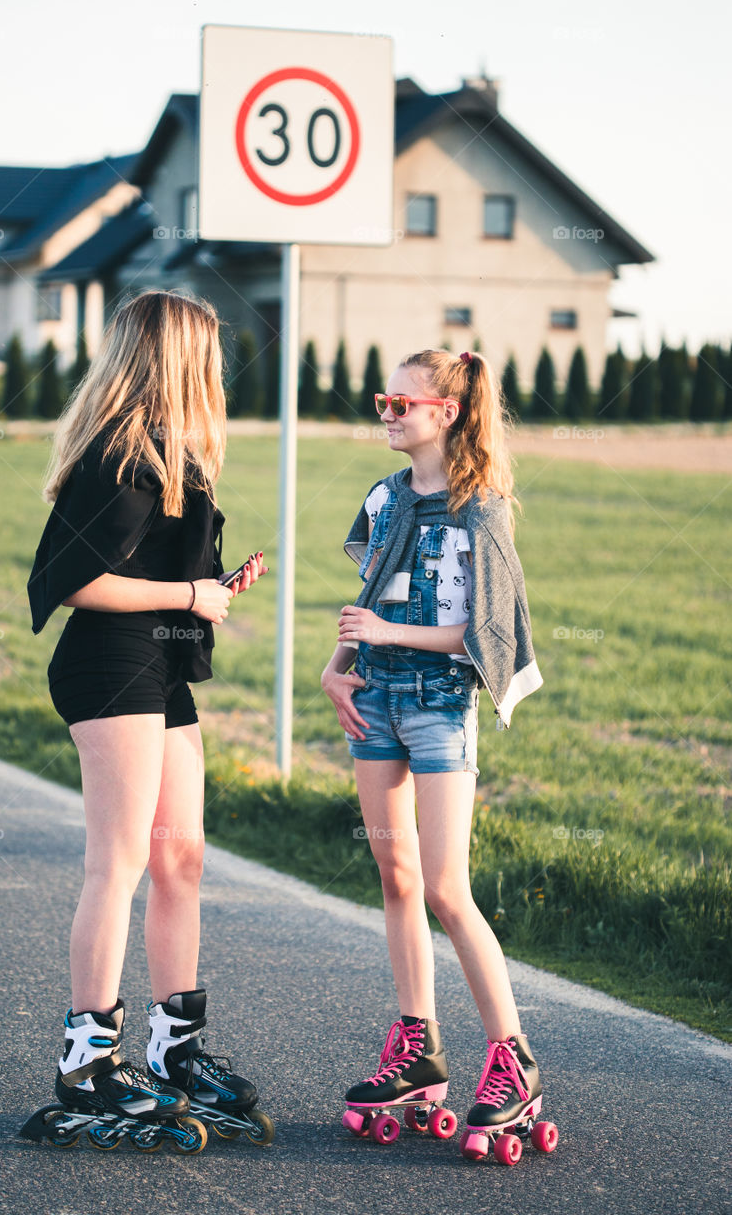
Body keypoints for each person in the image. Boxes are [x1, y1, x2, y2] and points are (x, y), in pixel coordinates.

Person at [25, 290, 270, 1148]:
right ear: (176, 357)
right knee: (119, 861)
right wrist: (190, 594)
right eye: (207, 350)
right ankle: (86, 1063)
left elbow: (155, 569)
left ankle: (174, 1051)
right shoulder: (120, 457)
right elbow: (73, 582)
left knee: (181, 859)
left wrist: (210, 591)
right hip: (109, 665)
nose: (218, 367)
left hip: (158, 665)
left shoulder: (173, 455)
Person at [321, 348, 549, 1156]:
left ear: (444, 412)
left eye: (399, 403)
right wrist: (337, 668)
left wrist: (388, 634)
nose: (387, 415)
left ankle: (510, 1060)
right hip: (373, 699)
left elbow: (484, 635)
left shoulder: (479, 510)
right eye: (382, 403)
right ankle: (416, 1050)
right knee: (396, 875)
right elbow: (369, 592)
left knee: (447, 888)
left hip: (438, 706)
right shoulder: (383, 498)